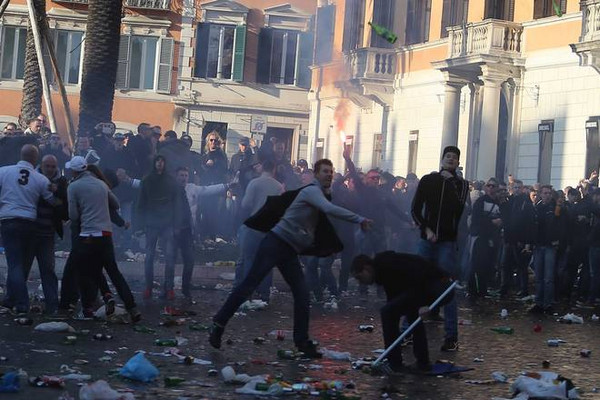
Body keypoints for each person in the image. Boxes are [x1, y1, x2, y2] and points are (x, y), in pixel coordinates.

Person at [209, 159, 372, 357]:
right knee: (249, 284)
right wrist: (359, 219)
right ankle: (218, 323)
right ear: (315, 174)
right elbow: (329, 210)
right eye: (325, 171)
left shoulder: (322, 194)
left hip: (289, 249)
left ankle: (302, 341)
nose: (329, 174)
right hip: (276, 243)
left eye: (331, 171)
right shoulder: (311, 191)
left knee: (302, 293)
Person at [351, 252, 454, 372]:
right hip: (430, 286)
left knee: (390, 312)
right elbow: (394, 300)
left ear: (367, 268)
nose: (360, 282)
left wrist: (428, 306)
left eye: (359, 277)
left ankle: (395, 362)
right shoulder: (383, 272)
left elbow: (419, 275)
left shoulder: (387, 264)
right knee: (400, 312)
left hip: (440, 287)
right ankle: (421, 362)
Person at [66, 156, 140, 321]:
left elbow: (73, 215)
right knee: (113, 272)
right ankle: (132, 307)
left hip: (87, 236)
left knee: (85, 272)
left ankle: (87, 310)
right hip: (105, 235)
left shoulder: (73, 186)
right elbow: (116, 204)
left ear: (73, 170)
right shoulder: (102, 184)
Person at [411, 145, 469, 352]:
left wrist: (449, 181)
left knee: (447, 287)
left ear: (458, 163)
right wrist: (426, 229)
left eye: (454, 157)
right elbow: (415, 208)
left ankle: (451, 336)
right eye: (448, 156)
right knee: (416, 284)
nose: (451, 159)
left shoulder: (461, 185)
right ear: (442, 158)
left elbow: (459, 207)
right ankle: (408, 331)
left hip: (447, 241)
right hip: (427, 239)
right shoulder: (428, 180)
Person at [0, 145, 59, 314]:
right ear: (35, 159)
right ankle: (26, 303)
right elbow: (53, 201)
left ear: (21, 154)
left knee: (15, 265)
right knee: (31, 265)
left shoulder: (4, 171)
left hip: (8, 220)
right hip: (29, 223)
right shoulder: (40, 179)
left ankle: (21, 302)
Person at [22, 155, 68, 314]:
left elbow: (65, 205)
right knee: (23, 268)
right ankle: (17, 302)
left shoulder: (61, 182)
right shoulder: (32, 178)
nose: (49, 169)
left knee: (48, 270)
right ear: (41, 165)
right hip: (30, 231)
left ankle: (52, 305)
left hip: (47, 232)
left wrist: (58, 191)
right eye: (47, 166)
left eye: (52, 166)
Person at [174, 166, 230, 298]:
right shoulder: (171, 189)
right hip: (173, 230)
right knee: (171, 260)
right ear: (176, 177)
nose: (183, 178)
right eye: (181, 175)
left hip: (187, 230)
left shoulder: (192, 188)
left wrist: (226, 185)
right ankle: (167, 288)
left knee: (189, 260)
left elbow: (208, 190)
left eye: (185, 175)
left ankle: (186, 288)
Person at [235, 159, 283, 302]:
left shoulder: (254, 183)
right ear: (274, 169)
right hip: (269, 229)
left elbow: (246, 204)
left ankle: (248, 293)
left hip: (253, 227)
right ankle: (264, 294)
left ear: (263, 168)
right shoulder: (278, 186)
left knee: (249, 259)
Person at [137, 155, 178, 300]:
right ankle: (148, 287)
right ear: (154, 163)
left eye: (162, 161)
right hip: (152, 222)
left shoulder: (170, 181)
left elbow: (175, 201)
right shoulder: (147, 180)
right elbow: (141, 202)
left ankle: (169, 288)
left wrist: (175, 221)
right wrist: (140, 224)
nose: (160, 164)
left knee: (169, 256)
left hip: (167, 222)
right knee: (149, 256)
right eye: (157, 161)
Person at [529, 185, 562, 314]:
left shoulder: (555, 207)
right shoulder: (537, 207)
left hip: (549, 245)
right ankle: (539, 302)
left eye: (549, 193)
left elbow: (559, 224)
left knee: (548, 277)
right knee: (539, 276)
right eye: (545, 193)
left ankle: (547, 303)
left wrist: (557, 240)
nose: (547, 195)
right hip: (538, 244)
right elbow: (532, 225)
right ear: (541, 194)